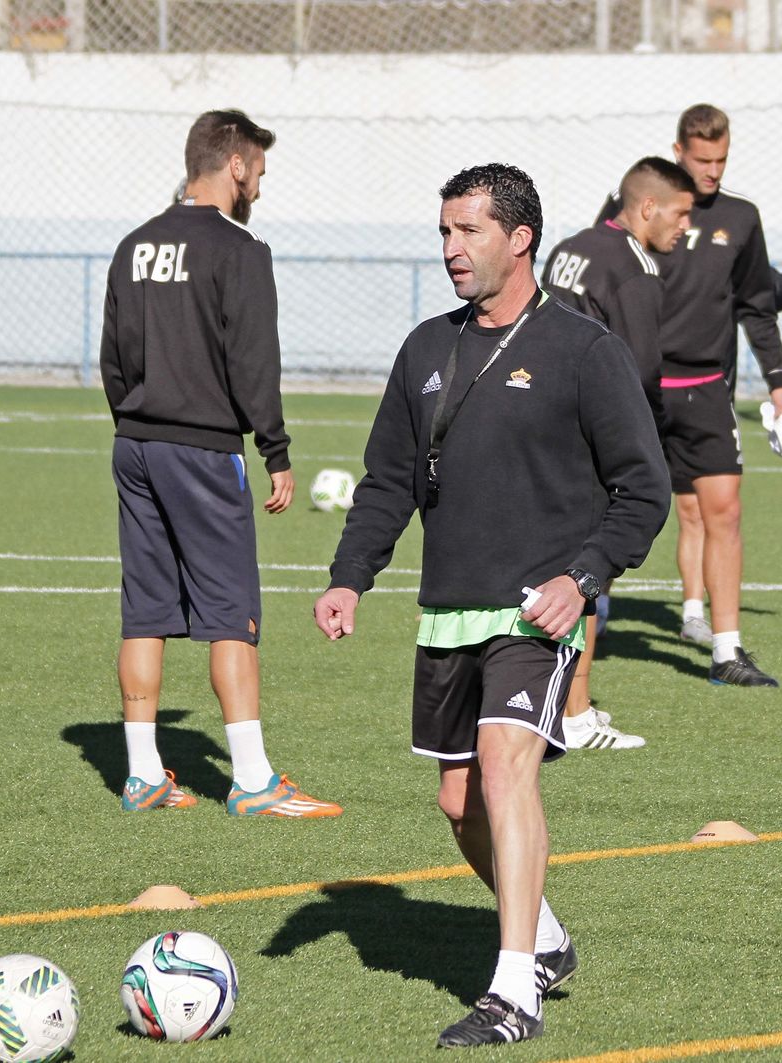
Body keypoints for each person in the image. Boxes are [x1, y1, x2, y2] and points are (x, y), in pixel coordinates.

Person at [313, 163, 669, 1047]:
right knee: (457, 798)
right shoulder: (425, 348)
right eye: (443, 232)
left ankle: (513, 992)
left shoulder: (585, 350)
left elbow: (644, 489)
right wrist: (350, 573)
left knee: (507, 766)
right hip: (449, 610)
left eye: (468, 232)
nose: (450, 250)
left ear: (520, 240)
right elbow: (389, 478)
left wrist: (578, 579)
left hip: (533, 613)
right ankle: (544, 938)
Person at [100, 109, 340, 819]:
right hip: (202, 450)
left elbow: (113, 357)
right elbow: (253, 361)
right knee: (230, 611)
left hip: (134, 445)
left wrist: (135, 420)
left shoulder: (134, 244)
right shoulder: (240, 249)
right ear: (235, 164)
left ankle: (143, 774)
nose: (260, 186)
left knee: (145, 609)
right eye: (259, 171)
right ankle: (254, 779)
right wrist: (276, 449)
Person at [597, 104, 782, 686]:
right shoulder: (638, 208)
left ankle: (726, 651)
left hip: (707, 390)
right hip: (639, 386)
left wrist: (779, 385)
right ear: (679, 152)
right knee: (608, 503)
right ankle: (592, 611)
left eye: (722, 158)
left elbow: (758, 303)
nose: (713, 170)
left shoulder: (742, 217)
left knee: (723, 512)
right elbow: (599, 282)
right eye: (702, 159)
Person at [541, 155, 693, 751]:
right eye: (680, 214)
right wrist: (647, 444)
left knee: (553, 564)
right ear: (647, 206)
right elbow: (640, 370)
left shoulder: (573, 246)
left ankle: (556, 704)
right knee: (585, 569)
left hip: (543, 413)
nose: (685, 227)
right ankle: (574, 716)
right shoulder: (635, 268)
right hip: (588, 431)